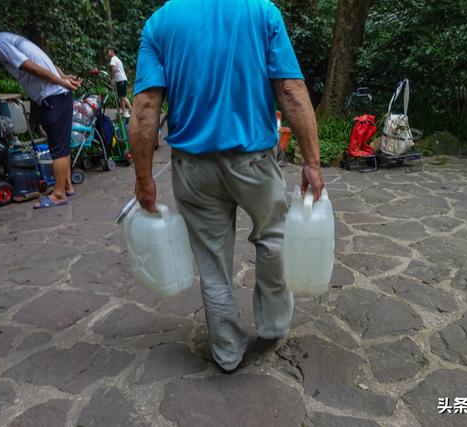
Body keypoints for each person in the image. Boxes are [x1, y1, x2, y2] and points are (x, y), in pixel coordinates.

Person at [130, 0, 324, 373]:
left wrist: (143, 178)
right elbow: (290, 90)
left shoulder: (160, 23)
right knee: (272, 240)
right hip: (254, 162)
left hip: (192, 169)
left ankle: (228, 352)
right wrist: (312, 164)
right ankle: (271, 326)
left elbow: (145, 108)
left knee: (213, 264)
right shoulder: (262, 11)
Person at [0, 31, 82, 209]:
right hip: (58, 96)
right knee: (61, 145)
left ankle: (58, 194)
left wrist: (61, 81)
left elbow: (31, 66)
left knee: (58, 150)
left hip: (54, 96)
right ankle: (67, 186)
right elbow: (43, 60)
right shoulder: (6, 38)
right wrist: (62, 77)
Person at [107, 47, 132, 118]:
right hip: (120, 80)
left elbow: (114, 69)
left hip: (121, 80)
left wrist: (112, 79)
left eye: (109, 51)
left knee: (123, 97)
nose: (108, 52)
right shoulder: (116, 59)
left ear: (112, 51)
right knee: (121, 97)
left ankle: (132, 111)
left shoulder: (113, 59)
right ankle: (124, 112)